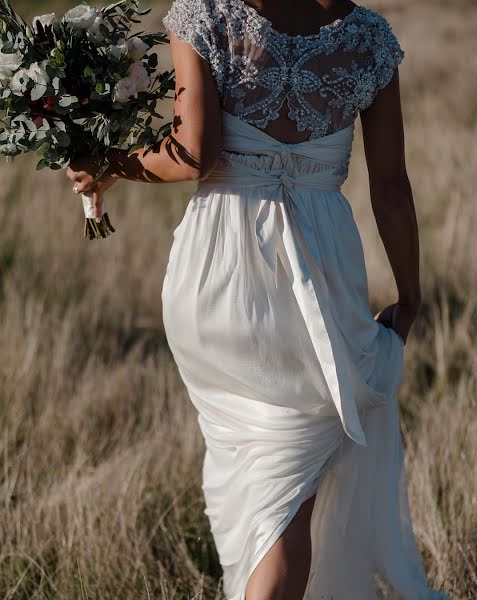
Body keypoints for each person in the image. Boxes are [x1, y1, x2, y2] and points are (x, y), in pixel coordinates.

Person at [67, 1, 451, 598]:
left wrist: (112, 165)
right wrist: (411, 296)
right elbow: (391, 189)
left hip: (217, 278)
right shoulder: (370, 40)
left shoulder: (205, 15)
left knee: (259, 477)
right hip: (320, 279)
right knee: (287, 494)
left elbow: (195, 153)